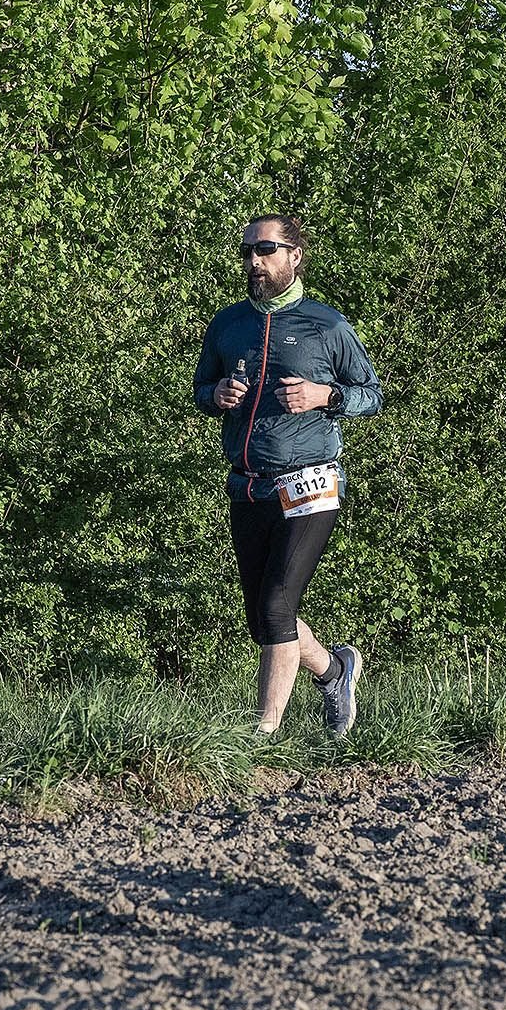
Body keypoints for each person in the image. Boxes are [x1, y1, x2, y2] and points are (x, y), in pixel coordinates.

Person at [191, 214, 382, 736]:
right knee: (262, 616)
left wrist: (326, 395)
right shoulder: (228, 324)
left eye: (265, 249)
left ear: (295, 256)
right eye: (247, 251)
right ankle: (335, 670)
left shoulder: (327, 325)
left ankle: (263, 732)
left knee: (277, 604)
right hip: (247, 482)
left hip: (311, 479)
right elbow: (201, 388)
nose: (254, 261)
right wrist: (216, 395)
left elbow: (372, 395)